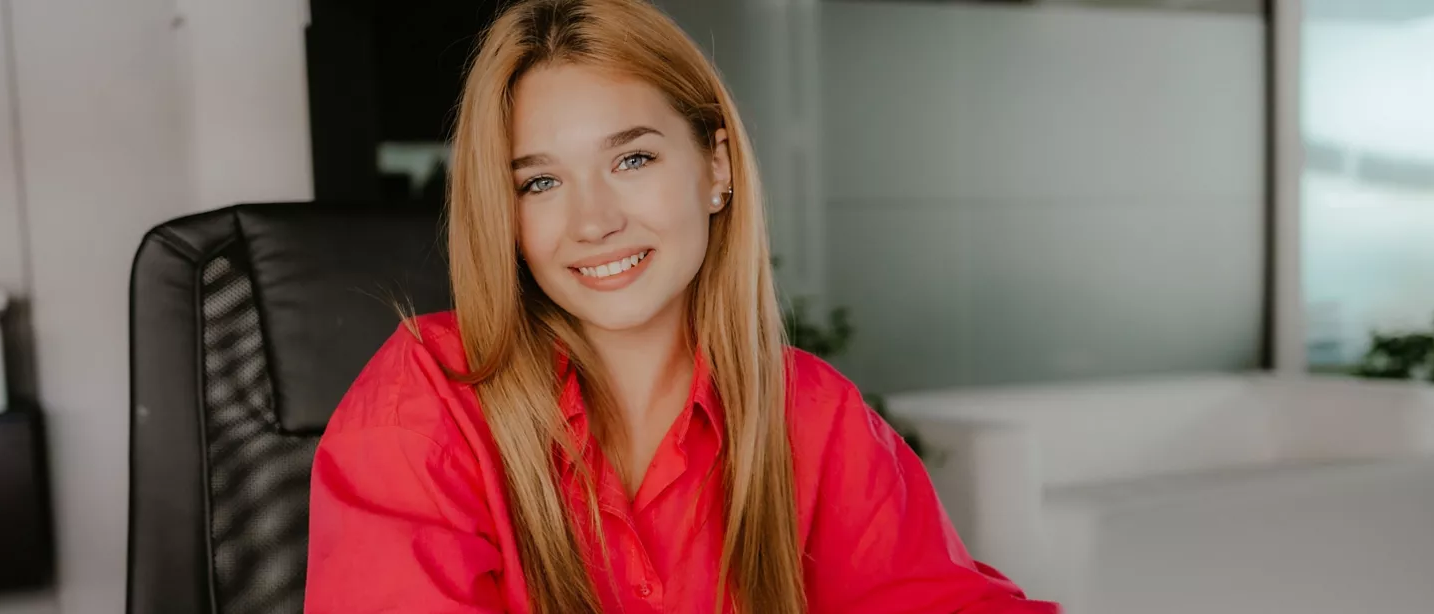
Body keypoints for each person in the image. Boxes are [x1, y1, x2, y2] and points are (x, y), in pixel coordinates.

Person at [304, 1, 1060, 612]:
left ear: (716, 168)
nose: (593, 221)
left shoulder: (811, 414)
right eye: (539, 182)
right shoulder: (429, 396)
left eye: (632, 159)